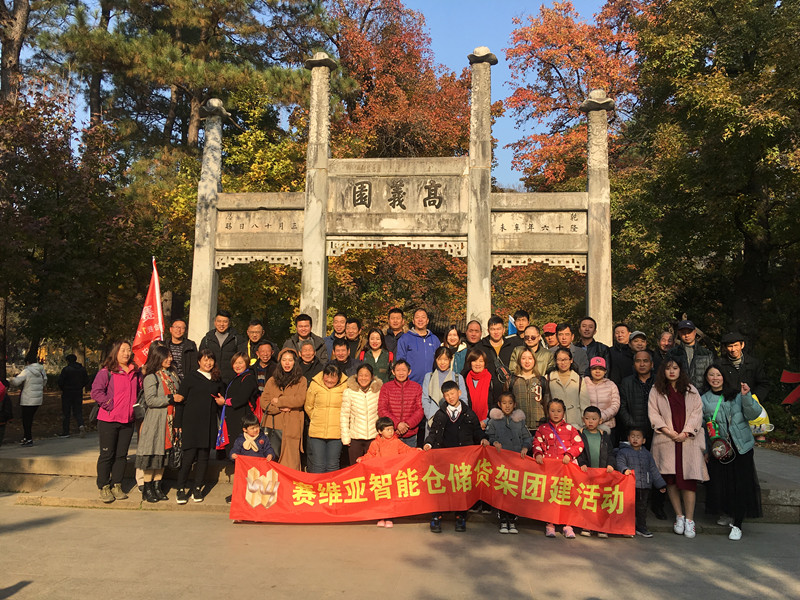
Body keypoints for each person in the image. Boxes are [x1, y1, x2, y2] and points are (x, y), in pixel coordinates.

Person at [648, 355, 708, 539]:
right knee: (671, 479)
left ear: (681, 370)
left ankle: (690, 519)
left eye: (675, 368)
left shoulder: (691, 390)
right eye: (668, 368)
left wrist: (686, 432)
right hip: (667, 439)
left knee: (689, 481)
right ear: (663, 371)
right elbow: (653, 413)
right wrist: (669, 432)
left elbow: (697, 414)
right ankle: (679, 516)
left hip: (688, 441)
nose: (672, 371)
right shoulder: (656, 390)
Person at [700, 364, 763, 541]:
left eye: (718, 374)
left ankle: (738, 524)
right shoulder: (703, 399)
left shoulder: (737, 395)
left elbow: (754, 414)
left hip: (740, 446)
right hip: (719, 448)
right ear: (706, 378)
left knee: (741, 484)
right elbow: (703, 427)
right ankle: (727, 512)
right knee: (722, 483)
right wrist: (705, 450)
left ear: (724, 377)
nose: (715, 378)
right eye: (711, 375)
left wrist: (747, 396)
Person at [423, 380, 490, 533]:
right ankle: (437, 516)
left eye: (452, 393)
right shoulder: (440, 414)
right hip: (444, 456)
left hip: (463, 458)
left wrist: (483, 439)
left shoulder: (469, 414)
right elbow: (434, 432)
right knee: (442, 486)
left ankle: (461, 516)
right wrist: (428, 443)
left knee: (461, 487)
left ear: (459, 393)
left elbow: (477, 431)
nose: (450, 397)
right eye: (446, 395)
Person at [91, 341, 142, 502]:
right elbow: (96, 392)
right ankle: (104, 486)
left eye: (128, 350)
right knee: (107, 454)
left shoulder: (136, 372)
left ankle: (117, 485)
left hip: (128, 420)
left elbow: (140, 391)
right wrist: (110, 405)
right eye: (122, 350)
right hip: (109, 419)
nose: (126, 353)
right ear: (115, 352)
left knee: (121, 455)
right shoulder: (107, 372)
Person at [173, 349, 225, 504]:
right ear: (199, 361)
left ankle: (197, 488)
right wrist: (178, 423)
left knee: (203, 458)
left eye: (211, 360)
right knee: (188, 458)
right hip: (191, 424)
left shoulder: (217, 379)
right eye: (205, 359)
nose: (208, 363)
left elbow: (222, 400)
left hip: (208, 424)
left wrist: (222, 403)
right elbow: (180, 402)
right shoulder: (190, 377)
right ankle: (181, 488)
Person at [533, 398, 585, 538]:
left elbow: (579, 445)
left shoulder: (570, 429)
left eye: (559, 411)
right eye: (552, 411)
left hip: (566, 469)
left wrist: (569, 454)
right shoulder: (542, 429)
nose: (556, 414)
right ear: (547, 412)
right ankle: (550, 524)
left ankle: (567, 525)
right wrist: (538, 454)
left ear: (564, 412)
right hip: (549, 469)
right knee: (550, 496)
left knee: (566, 496)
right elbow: (537, 443)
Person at [136, 344, 180, 503]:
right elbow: (151, 400)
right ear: (158, 358)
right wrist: (170, 398)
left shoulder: (172, 376)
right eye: (166, 356)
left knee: (163, 456)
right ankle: (147, 489)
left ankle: (157, 486)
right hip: (155, 422)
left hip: (169, 421)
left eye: (170, 356)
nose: (170, 359)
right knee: (152, 455)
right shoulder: (151, 377)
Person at [357, 416, 419, 528]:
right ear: (380, 431)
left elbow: (407, 450)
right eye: (388, 429)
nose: (391, 432)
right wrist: (362, 459)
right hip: (379, 475)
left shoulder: (397, 442)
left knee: (391, 497)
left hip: (392, 475)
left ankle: (389, 517)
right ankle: (380, 517)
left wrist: (416, 450)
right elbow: (370, 455)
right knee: (380, 496)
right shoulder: (375, 443)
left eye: (392, 429)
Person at [486, 392, 532, 534]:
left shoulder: (519, 421)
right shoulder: (493, 421)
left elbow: (527, 437)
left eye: (510, 403)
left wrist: (525, 447)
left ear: (515, 405)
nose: (507, 406)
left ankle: (512, 519)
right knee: (502, 489)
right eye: (504, 403)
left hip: (516, 462)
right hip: (500, 462)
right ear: (499, 405)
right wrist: (494, 442)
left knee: (514, 490)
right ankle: (502, 518)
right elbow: (489, 436)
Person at [260, 348, 307, 470]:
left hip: (292, 425)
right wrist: (279, 409)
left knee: (291, 461)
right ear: (280, 362)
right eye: (284, 360)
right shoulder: (272, 381)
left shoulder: (301, 380)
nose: (287, 363)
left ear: (295, 362)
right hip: (274, 424)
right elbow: (264, 402)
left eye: (290, 360)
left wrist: (279, 401)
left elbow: (300, 400)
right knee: (272, 460)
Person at [617, 427, 667, 538]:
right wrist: (624, 469)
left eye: (638, 437)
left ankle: (641, 527)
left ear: (643, 440)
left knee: (642, 508)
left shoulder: (647, 454)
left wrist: (660, 484)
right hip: (629, 486)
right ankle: (626, 528)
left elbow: (653, 469)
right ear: (628, 438)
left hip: (644, 486)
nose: (635, 439)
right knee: (627, 507)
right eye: (633, 436)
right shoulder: (623, 452)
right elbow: (620, 463)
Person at [577, 406, 615, 537]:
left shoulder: (604, 435)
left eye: (594, 419)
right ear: (583, 419)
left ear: (600, 421)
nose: (590, 421)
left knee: (601, 501)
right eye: (587, 418)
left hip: (601, 474)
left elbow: (611, 453)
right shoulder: (580, 434)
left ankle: (601, 527)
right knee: (587, 501)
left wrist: (610, 464)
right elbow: (578, 452)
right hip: (586, 474)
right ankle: (587, 526)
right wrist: (581, 463)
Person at [305, 363, 348, 473]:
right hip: (317, 431)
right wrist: (316, 417)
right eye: (327, 376)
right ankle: (318, 484)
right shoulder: (315, 384)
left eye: (333, 377)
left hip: (336, 432)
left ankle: (332, 485)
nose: (329, 380)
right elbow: (308, 406)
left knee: (333, 464)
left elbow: (347, 408)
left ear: (339, 377)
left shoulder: (345, 386)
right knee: (318, 464)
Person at [340, 363, 382, 464]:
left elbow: (381, 413)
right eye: (361, 375)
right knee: (355, 468)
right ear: (356, 376)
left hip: (373, 437)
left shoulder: (378, 391)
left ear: (372, 377)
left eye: (366, 375)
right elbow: (344, 416)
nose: (363, 378)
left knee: (372, 467)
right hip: (355, 438)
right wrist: (346, 438)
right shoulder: (349, 392)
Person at [422, 347, 467, 436]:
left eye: (445, 359)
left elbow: (463, 399)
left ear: (450, 360)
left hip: (453, 421)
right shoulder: (429, 377)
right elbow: (425, 399)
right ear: (436, 360)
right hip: (432, 420)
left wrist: (455, 417)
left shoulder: (458, 378)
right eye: (439, 359)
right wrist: (430, 416)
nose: (442, 362)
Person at [378, 360, 424, 447]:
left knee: (410, 456)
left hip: (410, 434)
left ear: (409, 372)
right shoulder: (386, 387)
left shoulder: (416, 387)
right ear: (393, 372)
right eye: (398, 370)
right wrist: (397, 424)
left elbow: (420, 410)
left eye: (404, 370)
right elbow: (382, 409)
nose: (401, 373)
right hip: (391, 433)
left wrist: (407, 424)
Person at [222, 352, 259, 456]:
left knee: (241, 447)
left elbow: (242, 398)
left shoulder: (248, 377)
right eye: (235, 363)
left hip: (242, 416)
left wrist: (225, 401)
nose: (237, 366)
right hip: (233, 417)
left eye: (240, 363)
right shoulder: (236, 377)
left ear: (246, 363)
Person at [717, 332, 769, 403]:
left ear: (742, 345)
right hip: (727, 404)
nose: (733, 349)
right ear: (726, 348)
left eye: (736, 345)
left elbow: (763, 384)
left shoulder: (754, 363)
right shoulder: (719, 365)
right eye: (730, 346)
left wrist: (755, 398)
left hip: (750, 403)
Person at [545, 348, 589, 429]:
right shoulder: (548, 379)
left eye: (565, 359)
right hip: (554, 425)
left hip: (575, 424)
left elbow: (585, 405)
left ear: (571, 360)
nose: (563, 363)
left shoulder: (579, 380)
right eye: (559, 360)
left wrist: (585, 424)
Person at [618, 350, 656, 444]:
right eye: (638, 361)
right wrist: (632, 425)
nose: (642, 364)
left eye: (645, 361)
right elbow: (622, 407)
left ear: (651, 364)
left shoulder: (659, 381)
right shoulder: (626, 382)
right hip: (634, 433)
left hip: (656, 431)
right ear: (634, 364)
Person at [10, 353, 47, 447]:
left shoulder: (27, 371)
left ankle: (28, 438)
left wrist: (11, 379)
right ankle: (26, 437)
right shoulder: (41, 370)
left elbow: (17, 382)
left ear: (27, 362)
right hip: (37, 399)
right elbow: (44, 382)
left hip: (27, 399)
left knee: (26, 420)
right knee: (29, 418)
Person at [396, 308, 440, 386]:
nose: (420, 320)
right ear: (413, 321)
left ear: (427, 320)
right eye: (417, 317)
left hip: (431, 384)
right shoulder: (405, 338)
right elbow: (400, 361)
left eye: (423, 317)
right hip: (411, 383)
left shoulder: (434, 339)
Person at [475, 315, 518, 392]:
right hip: (486, 389)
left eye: (498, 329)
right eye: (493, 329)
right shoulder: (480, 347)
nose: (496, 332)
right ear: (488, 331)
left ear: (503, 330)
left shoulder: (512, 346)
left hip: (508, 389)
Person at [198, 310, 241, 384]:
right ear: (215, 322)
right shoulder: (207, 339)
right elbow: (200, 359)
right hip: (210, 379)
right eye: (219, 321)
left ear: (229, 323)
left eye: (225, 322)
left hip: (231, 380)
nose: (221, 324)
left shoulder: (237, 339)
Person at [511, 347, 548, 432]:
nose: (527, 361)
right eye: (523, 358)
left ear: (534, 360)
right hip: (518, 426)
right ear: (519, 360)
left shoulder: (541, 380)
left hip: (539, 426)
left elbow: (547, 403)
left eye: (530, 358)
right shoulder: (512, 380)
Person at [674, 319, 716, 391]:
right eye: (683, 332)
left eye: (689, 332)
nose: (686, 335)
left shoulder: (706, 354)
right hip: (679, 393)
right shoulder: (673, 353)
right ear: (679, 333)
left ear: (695, 332)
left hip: (701, 394)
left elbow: (712, 375)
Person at [462, 348, 498, 429]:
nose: (477, 364)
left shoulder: (491, 380)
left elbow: (495, 402)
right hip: (468, 424)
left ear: (485, 363)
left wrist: (486, 421)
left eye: (481, 361)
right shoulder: (464, 380)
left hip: (488, 424)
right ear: (470, 363)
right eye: (474, 361)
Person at [583, 357, 620, 436]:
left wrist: (601, 417)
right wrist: (590, 418)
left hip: (607, 426)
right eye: (594, 368)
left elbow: (615, 405)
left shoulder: (611, 385)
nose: (597, 371)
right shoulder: (584, 384)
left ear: (605, 371)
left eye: (601, 369)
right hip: (588, 426)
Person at [57, 353, 89, 438]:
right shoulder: (82, 369)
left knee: (66, 412)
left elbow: (60, 381)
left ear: (68, 361)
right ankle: (81, 425)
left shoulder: (66, 370)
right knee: (78, 411)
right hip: (78, 392)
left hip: (67, 392)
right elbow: (86, 380)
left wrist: (63, 388)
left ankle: (66, 431)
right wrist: (80, 386)